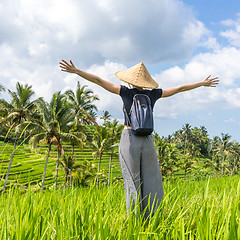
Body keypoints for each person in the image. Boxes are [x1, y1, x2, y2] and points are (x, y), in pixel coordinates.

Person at [59, 60, 219, 218]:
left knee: (132, 180)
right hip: (148, 140)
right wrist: (201, 83)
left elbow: (99, 81)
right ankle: (153, 217)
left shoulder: (125, 92)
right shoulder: (153, 94)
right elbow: (179, 88)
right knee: (152, 179)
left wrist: (77, 71)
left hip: (129, 139)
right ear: (146, 81)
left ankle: (135, 220)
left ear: (130, 80)